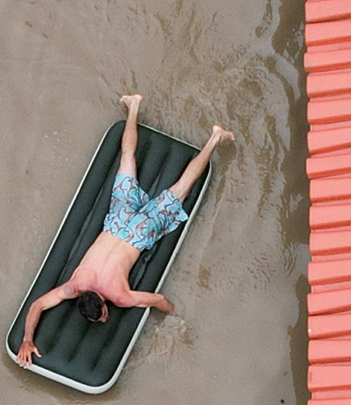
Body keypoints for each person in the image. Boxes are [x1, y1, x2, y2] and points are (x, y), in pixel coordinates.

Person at [14, 95, 231, 365]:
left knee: (182, 187)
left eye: (103, 314)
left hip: (140, 233)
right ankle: (134, 105)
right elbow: (37, 306)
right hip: (117, 221)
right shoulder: (73, 286)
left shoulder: (119, 296)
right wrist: (26, 338)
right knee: (127, 160)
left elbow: (159, 299)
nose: (105, 318)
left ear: (103, 304)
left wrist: (172, 314)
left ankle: (215, 138)